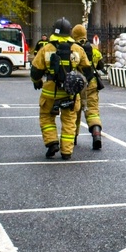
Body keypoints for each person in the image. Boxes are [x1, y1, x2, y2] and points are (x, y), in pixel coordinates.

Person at [30, 17, 92, 160]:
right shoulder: (77, 49)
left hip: (50, 92)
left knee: (46, 117)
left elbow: (35, 71)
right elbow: (88, 72)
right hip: (70, 94)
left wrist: (37, 81)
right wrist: (80, 85)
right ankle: (66, 152)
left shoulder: (46, 48)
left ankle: (52, 143)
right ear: (69, 32)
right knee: (69, 122)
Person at [71, 25, 105, 150]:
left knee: (74, 111)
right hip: (92, 83)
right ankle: (96, 135)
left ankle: (72, 139)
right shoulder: (94, 50)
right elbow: (101, 66)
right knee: (92, 111)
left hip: (77, 84)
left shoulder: (72, 49)